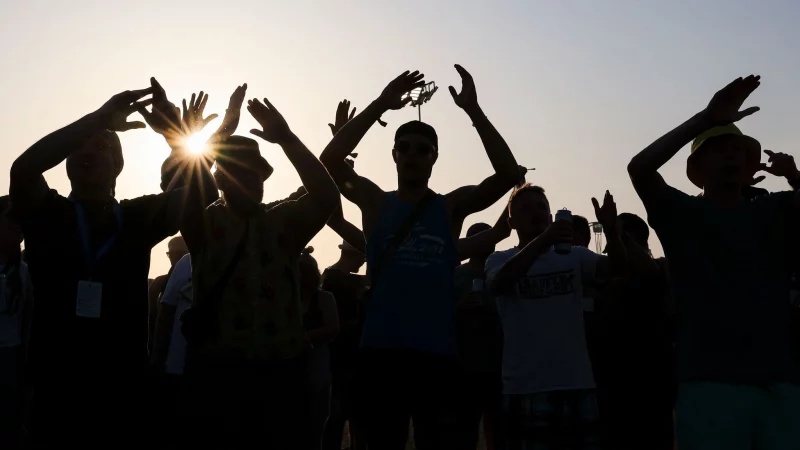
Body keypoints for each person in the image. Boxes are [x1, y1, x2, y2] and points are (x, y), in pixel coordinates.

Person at [319, 66, 521, 449]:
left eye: (422, 149)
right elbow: (328, 161)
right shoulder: (375, 202)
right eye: (405, 148)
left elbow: (508, 173)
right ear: (393, 154)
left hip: (437, 356)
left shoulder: (450, 207)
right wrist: (380, 104)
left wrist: (473, 111)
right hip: (380, 354)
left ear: (435, 157)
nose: (413, 155)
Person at [9, 78, 216, 449]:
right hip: (55, 389)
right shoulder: (47, 212)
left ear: (118, 166)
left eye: (104, 145)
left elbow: (204, 194)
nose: (92, 146)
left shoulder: (137, 217)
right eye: (83, 144)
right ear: (67, 159)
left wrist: (176, 137)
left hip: (122, 389)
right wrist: (98, 118)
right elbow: (23, 170)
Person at [627, 74, 800, 450]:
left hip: (780, 381)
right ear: (697, 167)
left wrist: (795, 177)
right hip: (708, 381)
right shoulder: (680, 213)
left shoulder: (776, 210)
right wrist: (706, 118)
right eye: (719, 149)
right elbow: (639, 168)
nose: (732, 155)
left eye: (739, 150)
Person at [180, 93, 340, 450]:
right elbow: (180, 186)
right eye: (237, 173)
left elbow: (327, 197)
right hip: (219, 372)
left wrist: (286, 137)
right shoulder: (202, 224)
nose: (247, 182)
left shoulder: (283, 222)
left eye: (252, 175)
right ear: (220, 178)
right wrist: (217, 135)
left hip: (279, 371)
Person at [486, 185, 625, 450]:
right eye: (525, 209)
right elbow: (499, 284)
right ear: (511, 222)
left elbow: (617, 269)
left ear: (551, 216)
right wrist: (544, 240)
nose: (535, 213)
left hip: (576, 383)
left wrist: (611, 232)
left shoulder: (574, 256)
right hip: (524, 386)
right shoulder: (499, 258)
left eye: (541, 207)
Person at [591, 213, 674, 450]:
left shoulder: (661, 270)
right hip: (612, 385)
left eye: (622, 244)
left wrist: (619, 236)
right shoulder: (604, 280)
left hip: (651, 385)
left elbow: (654, 275)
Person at [453, 219, 508, 450]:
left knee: (499, 431)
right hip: (464, 364)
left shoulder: (505, 272)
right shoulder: (454, 275)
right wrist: (458, 307)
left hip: (499, 362)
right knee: (465, 432)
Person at [0, 197, 33, 450]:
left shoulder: (23, 273)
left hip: (11, 356)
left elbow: (27, 321)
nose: (17, 229)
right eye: (10, 222)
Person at [299, 247, 340, 450]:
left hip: (316, 366)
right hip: (292, 368)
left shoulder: (324, 299)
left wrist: (307, 337)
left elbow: (333, 329)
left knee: (316, 425)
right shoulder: (286, 297)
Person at [148, 235, 188, 351]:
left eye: (180, 254)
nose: (174, 258)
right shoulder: (158, 284)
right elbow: (151, 319)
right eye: (171, 254)